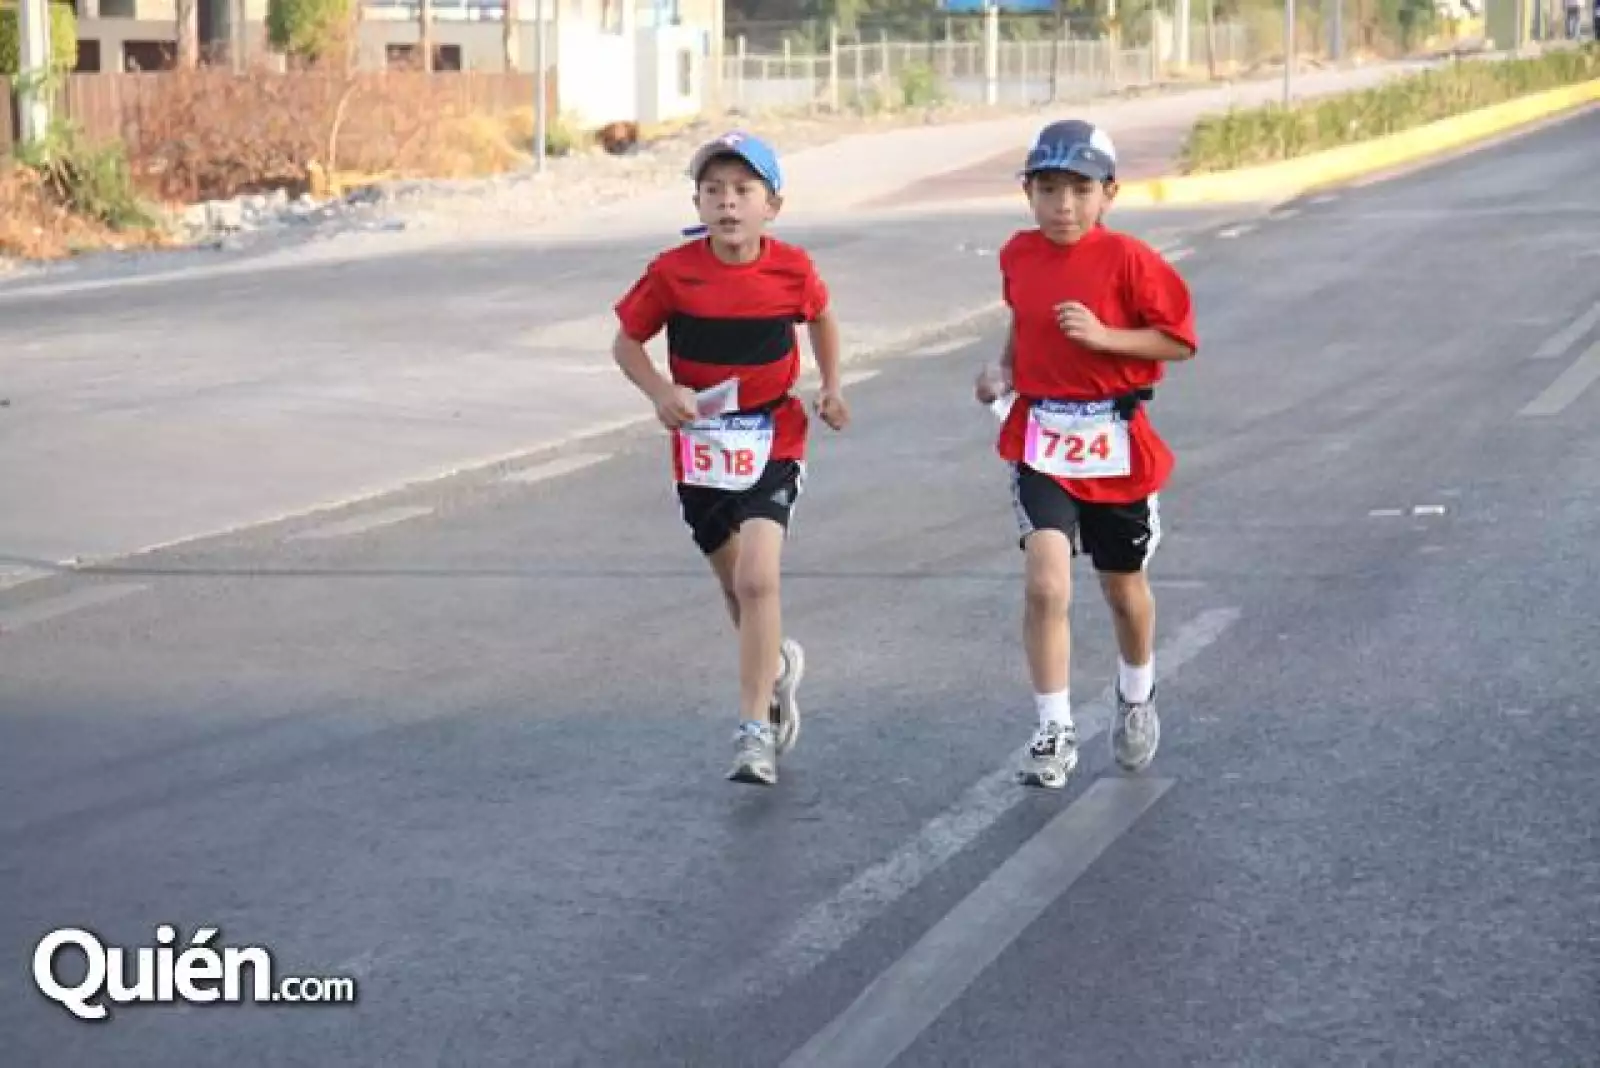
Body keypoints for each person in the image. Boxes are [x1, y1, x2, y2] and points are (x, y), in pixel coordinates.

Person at [610, 131, 850, 786]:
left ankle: (752, 731)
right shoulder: (673, 272)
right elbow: (627, 343)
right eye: (713, 190)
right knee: (731, 582)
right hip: (702, 448)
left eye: (743, 191)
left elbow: (822, 317)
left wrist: (830, 386)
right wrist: (662, 392)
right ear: (697, 202)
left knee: (757, 579)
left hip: (774, 437)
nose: (728, 203)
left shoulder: (792, 269)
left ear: (772, 205)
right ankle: (772, 668)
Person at [974, 119, 1199, 789]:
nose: (1063, 205)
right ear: (1028, 193)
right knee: (1046, 582)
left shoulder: (1130, 260)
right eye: (1048, 189)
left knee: (1123, 590)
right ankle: (1054, 729)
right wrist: (1005, 370)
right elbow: (1024, 318)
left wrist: (1106, 338)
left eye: (1079, 189)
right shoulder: (1019, 255)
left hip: (1115, 444)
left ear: (1109, 192)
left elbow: (1178, 341)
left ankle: (1135, 695)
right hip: (1041, 438)